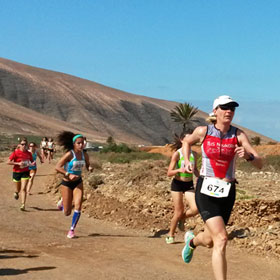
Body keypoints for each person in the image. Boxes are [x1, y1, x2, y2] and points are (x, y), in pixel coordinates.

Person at [181, 95, 263, 280]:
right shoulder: (204, 131)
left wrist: (249, 157)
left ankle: (192, 242)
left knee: (210, 240)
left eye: (232, 108)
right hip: (205, 189)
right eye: (225, 107)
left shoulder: (239, 135)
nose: (229, 111)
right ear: (215, 111)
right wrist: (187, 161)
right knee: (222, 238)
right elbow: (186, 141)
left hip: (227, 191)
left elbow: (260, 163)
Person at [55, 131, 93, 238]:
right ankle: (62, 202)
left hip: (78, 182)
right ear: (74, 144)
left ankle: (72, 229)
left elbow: (88, 164)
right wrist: (68, 174)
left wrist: (89, 168)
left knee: (78, 206)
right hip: (67, 183)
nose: (81, 145)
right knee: (67, 212)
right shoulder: (69, 154)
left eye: (82, 143)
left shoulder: (85, 155)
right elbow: (57, 167)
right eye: (79, 143)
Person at [165, 130, 199, 244]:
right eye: (187, 139)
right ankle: (170, 234)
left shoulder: (194, 154)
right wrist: (179, 170)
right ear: (182, 140)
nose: (190, 141)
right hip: (177, 184)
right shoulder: (177, 154)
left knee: (195, 208)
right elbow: (169, 172)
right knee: (178, 212)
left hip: (189, 184)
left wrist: (199, 177)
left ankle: (183, 218)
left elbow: (195, 169)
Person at [7, 138, 34, 211]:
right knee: (18, 189)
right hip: (16, 172)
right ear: (19, 145)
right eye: (22, 144)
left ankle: (23, 204)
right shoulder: (15, 153)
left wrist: (32, 164)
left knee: (23, 188)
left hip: (25, 172)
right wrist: (18, 163)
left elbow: (31, 161)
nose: (24, 146)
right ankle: (16, 192)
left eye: (25, 144)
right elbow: (8, 162)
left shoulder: (29, 153)